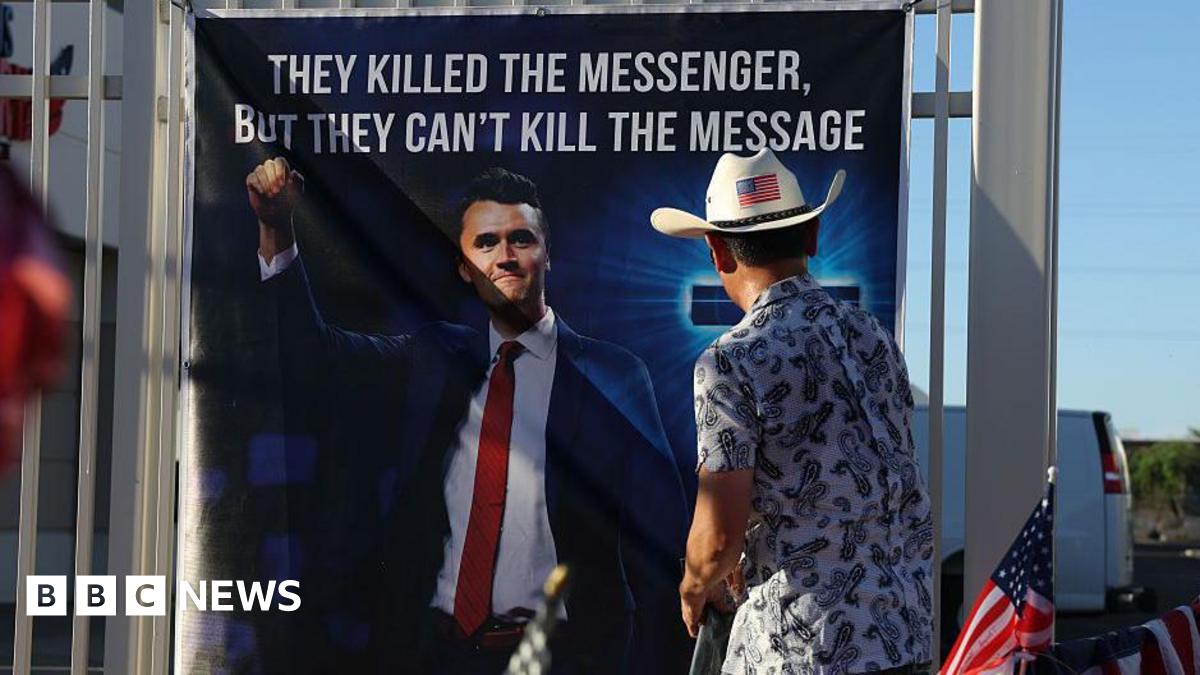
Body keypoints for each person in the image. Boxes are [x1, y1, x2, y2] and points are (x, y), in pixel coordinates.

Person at [246, 159, 690, 674]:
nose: (504, 256)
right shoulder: (433, 356)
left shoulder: (614, 373)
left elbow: (665, 534)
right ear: (463, 266)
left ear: (548, 254)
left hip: (565, 658)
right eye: (485, 243)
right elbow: (312, 356)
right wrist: (276, 228)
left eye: (521, 239)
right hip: (436, 653)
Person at [651, 149, 934, 675]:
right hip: (903, 639)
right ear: (811, 238)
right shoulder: (873, 337)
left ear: (716, 251)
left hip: (803, 653)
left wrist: (695, 585)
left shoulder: (728, 362)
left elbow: (718, 538)